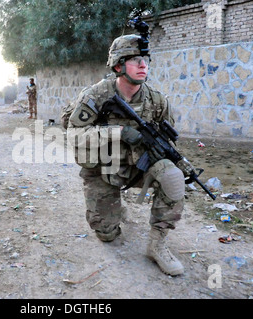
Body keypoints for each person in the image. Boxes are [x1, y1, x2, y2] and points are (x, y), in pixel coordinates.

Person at [66, 33, 196, 276]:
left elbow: (166, 142)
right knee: (107, 235)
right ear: (118, 65)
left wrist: (179, 162)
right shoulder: (96, 95)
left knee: (173, 177)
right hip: (103, 170)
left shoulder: (156, 100)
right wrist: (119, 132)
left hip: (138, 167)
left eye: (145, 59)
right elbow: (74, 135)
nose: (143, 65)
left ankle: (157, 245)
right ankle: (114, 207)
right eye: (135, 60)